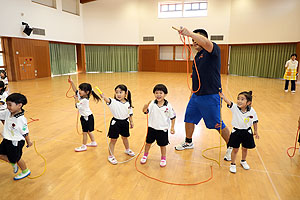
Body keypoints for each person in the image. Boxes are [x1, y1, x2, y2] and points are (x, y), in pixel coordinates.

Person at [174, 27, 232, 160]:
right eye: (192, 40)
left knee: (217, 124)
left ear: (204, 39)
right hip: (196, 96)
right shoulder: (197, 57)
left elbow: (206, 43)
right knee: (189, 118)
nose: (194, 42)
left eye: (196, 39)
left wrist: (189, 33)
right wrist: (192, 93)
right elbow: (195, 77)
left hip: (211, 95)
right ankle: (188, 142)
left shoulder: (213, 50)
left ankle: (231, 145)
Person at [219, 91, 259, 173]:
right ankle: (233, 164)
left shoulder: (252, 111)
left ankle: (243, 161)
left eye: (242, 99)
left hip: (247, 132)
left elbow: (255, 121)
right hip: (236, 132)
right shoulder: (235, 108)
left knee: (245, 148)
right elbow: (229, 102)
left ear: (248, 102)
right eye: (238, 99)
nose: (239, 101)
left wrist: (256, 131)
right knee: (235, 149)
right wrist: (223, 96)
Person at [140, 84, 176, 167]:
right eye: (156, 93)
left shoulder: (168, 106)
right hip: (152, 128)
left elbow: (173, 117)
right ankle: (145, 155)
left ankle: (163, 158)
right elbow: (145, 112)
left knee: (162, 145)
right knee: (148, 143)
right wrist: (144, 108)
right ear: (154, 94)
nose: (158, 95)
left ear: (165, 94)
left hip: (162, 129)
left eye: (161, 93)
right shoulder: (152, 103)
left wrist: (172, 127)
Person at [99, 84, 135, 165]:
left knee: (125, 137)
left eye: (120, 92)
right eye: (117, 92)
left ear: (126, 93)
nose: (118, 94)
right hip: (115, 123)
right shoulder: (113, 102)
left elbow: (130, 113)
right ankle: (110, 156)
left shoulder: (128, 103)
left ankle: (127, 149)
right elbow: (107, 100)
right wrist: (103, 97)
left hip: (125, 122)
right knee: (113, 140)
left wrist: (131, 121)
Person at [0, 93, 33, 180]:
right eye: (7, 104)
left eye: (10, 105)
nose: (8, 107)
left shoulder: (21, 119)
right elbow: (1, 115)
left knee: (17, 158)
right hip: (7, 139)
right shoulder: (8, 112)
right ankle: (12, 162)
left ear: (19, 105)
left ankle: (25, 171)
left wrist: (28, 141)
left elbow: (25, 132)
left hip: (16, 142)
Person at [68, 77, 101, 152]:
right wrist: (72, 82)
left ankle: (83, 146)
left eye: (81, 90)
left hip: (87, 118)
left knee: (85, 132)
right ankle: (93, 142)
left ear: (87, 92)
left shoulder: (84, 100)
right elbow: (75, 90)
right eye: (80, 89)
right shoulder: (83, 96)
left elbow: (77, 106)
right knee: (89, 131)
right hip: (88, 117)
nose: (79, 91)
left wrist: (76, 99)